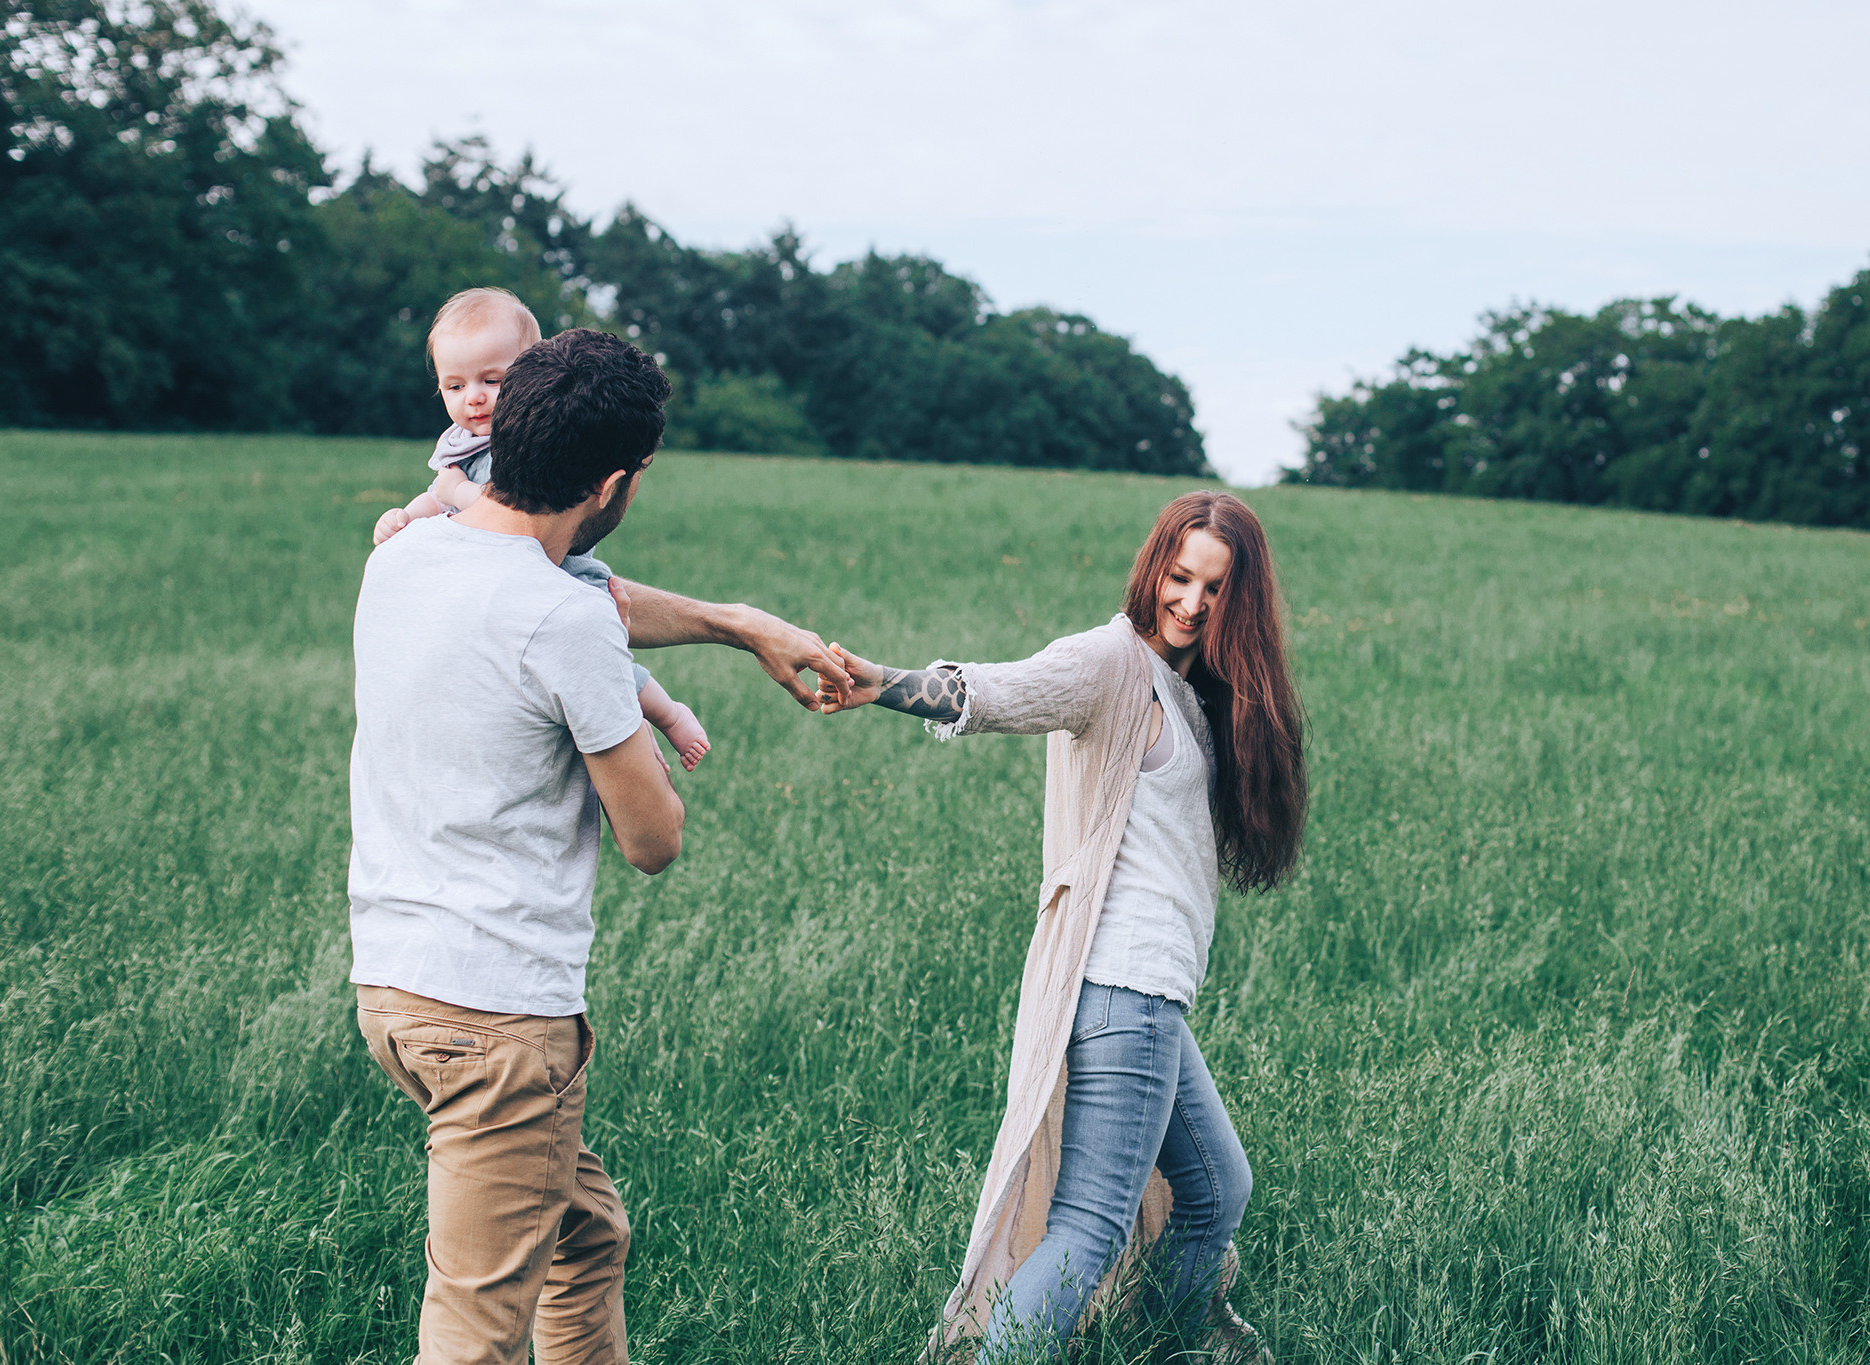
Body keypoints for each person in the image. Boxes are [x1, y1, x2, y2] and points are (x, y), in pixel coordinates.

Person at [350, 327, 764, 1365]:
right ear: (614, 483)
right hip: (499, 1018)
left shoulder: (401, 559)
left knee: (584, 1236)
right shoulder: (560, 620)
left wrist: (740, 624)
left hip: (395, 994)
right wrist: (628, 746)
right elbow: (651, 840)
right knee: (474, 1330)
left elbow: (592, 600)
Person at [819, 491, 1307, 1363]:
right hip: (1125, 982)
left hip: (1149, 990)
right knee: (1089, 1224)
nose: (1191, 602)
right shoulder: (1110, 661)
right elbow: (996, 690)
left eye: (1216, 588)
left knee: (1215, 1190)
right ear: (1153, 566)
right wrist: (877, 684)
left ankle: (1161, 1338)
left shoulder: (1190, 691)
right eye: (1180, 576)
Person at [373, 287, 710, 769]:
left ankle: (669, 716)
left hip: (561, 570)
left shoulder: (518, 446)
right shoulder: (463, 442)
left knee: (609, 660)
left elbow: (500, 512)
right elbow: (440, 493)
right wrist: (405, 517)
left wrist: (452, 496)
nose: (474, 398)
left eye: (492, 379)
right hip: (495, 584)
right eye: (454, 386)